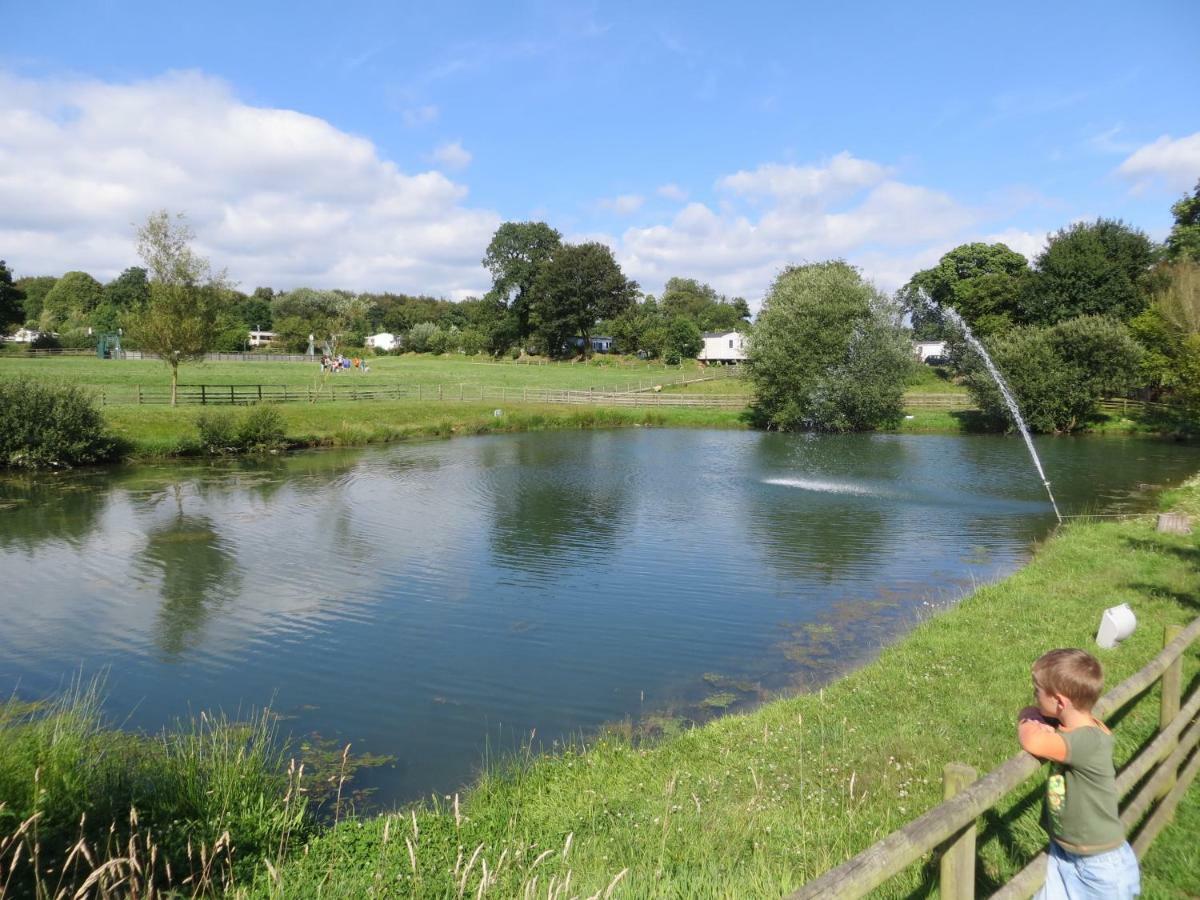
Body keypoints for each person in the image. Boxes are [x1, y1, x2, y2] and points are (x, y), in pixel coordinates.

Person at [1018, 649, 1140, 899]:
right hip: (1066, 853)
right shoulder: (1073, 729)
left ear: (1060, 702)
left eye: (1037, 690)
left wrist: (1027, 717)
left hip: (1099, 866)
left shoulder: (1087, 741)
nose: (1033, 695)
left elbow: (1034, 743)